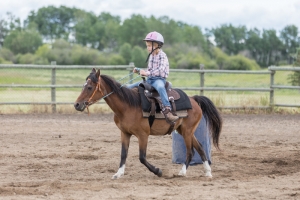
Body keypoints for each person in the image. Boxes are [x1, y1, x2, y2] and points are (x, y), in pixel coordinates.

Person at [128, 31, 179, 123]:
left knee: (160, 87)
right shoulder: (151, 55)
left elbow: (161, 70)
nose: (147, 48)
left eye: (149, 45)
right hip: (150, 79)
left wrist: (146, 73)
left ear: (157, 45)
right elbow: (149, 70)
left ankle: (168, 110)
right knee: (129, 87)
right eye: (147, 45)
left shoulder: (162, 56)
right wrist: (139, 70)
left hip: (159, 79)